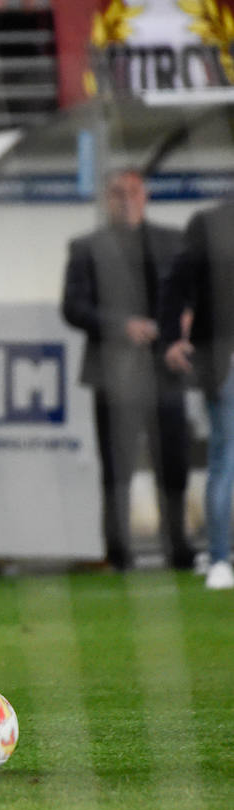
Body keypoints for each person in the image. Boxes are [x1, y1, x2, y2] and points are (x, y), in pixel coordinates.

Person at [62, 169, 193, 572]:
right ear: (106, 198)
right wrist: (121, 326)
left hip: (165, 374)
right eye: (118, 192)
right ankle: (118, 553)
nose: (126, 200)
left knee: (173, 464)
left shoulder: (173, 242)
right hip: (112, 376)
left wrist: (183, 325)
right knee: (116, 469)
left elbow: (192, 296)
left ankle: (179, 549)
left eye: (133, 192)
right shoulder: (87, 247)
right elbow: (73, 307)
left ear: (146, 196)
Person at [160, 199, 234, 589]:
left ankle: (221, 557)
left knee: (225, 454)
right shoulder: (209, 223)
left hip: (218, 355)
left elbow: (175, 284)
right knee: (225, 453)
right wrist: (172, 337)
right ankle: (220, 558)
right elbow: (176, 283)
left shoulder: (209, 222)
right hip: (222, 356)